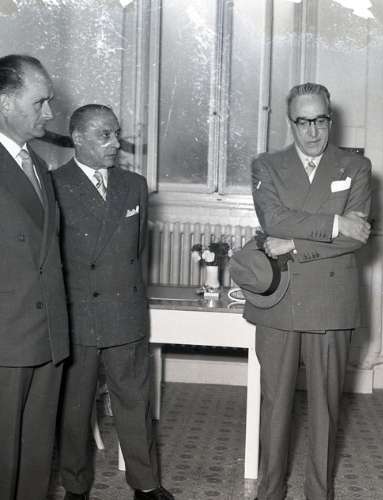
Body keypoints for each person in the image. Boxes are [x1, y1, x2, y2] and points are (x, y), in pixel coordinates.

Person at [240, 82, 372, 500]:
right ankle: (270, 491)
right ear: (290, 123)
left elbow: (357, 236)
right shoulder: (266, 165)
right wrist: (334, 223)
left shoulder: (356, 166)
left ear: (330, 119)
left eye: (320, 121)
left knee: (325, 408)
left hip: (331, 303)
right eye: (303, 122)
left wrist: (294, 244)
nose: (313, 131)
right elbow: (273, 220)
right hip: (279, 299)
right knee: (275, 405)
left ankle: (320, 492)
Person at [52, 105, 174, 500]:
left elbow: (137, 252)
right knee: (74, 408)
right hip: (78, 316)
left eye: (116, 133)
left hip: (125, 311)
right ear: (78, 139)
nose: (116, 143)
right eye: (104, 135)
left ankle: (146, 484)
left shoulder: (134, 185)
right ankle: (75, 486)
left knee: (135, 402)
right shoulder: (54, 185)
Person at [0, 54, 69, 500]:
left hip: (46, 337)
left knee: (35, 461)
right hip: (5, 339)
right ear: (5, 102)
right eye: (40, 102)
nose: (50, 112)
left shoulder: (38, 165)